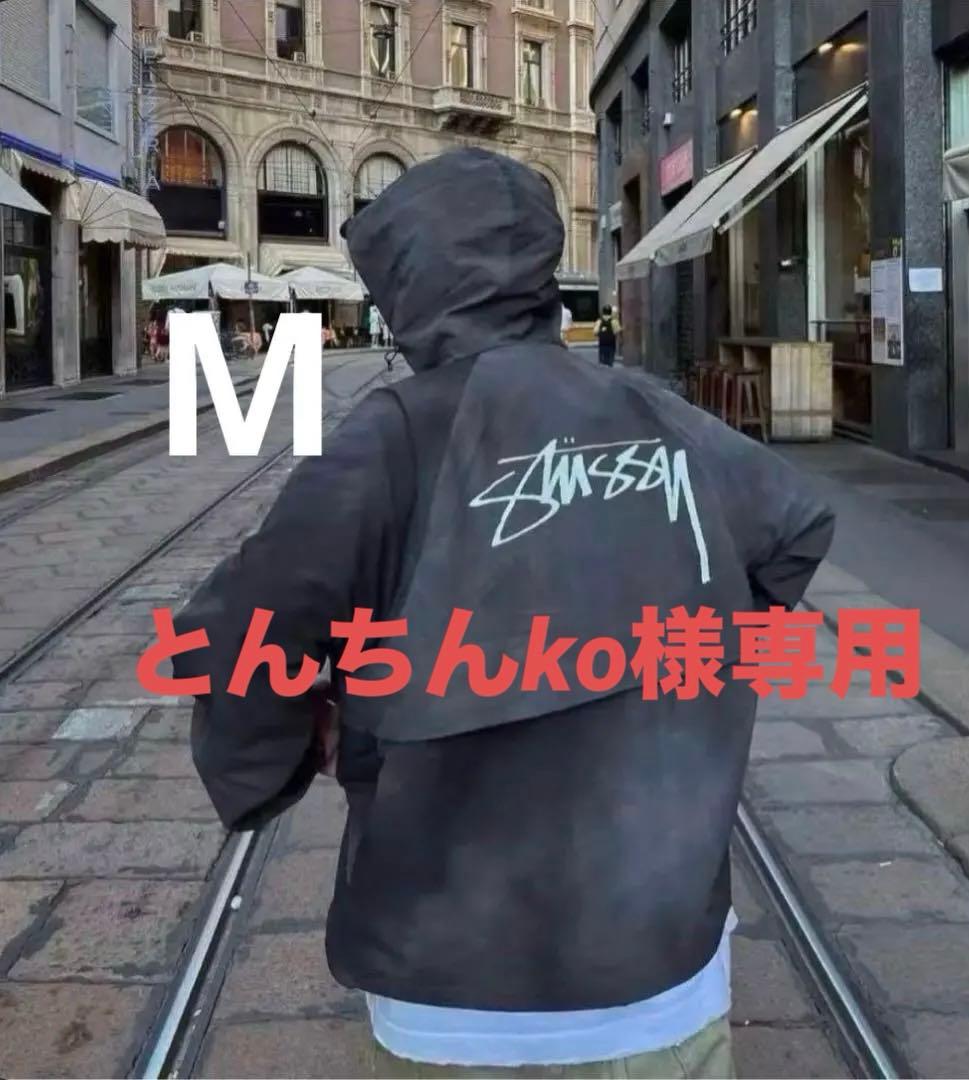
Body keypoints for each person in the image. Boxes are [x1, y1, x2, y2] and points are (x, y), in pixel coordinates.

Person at [174, 148, 834, 1078]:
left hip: (445, 974)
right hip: (660, 959)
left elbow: (240, 636)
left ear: (408, 285)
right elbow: (795, 528)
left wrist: (298, 739)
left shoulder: (395, 434)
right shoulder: (653, 411)